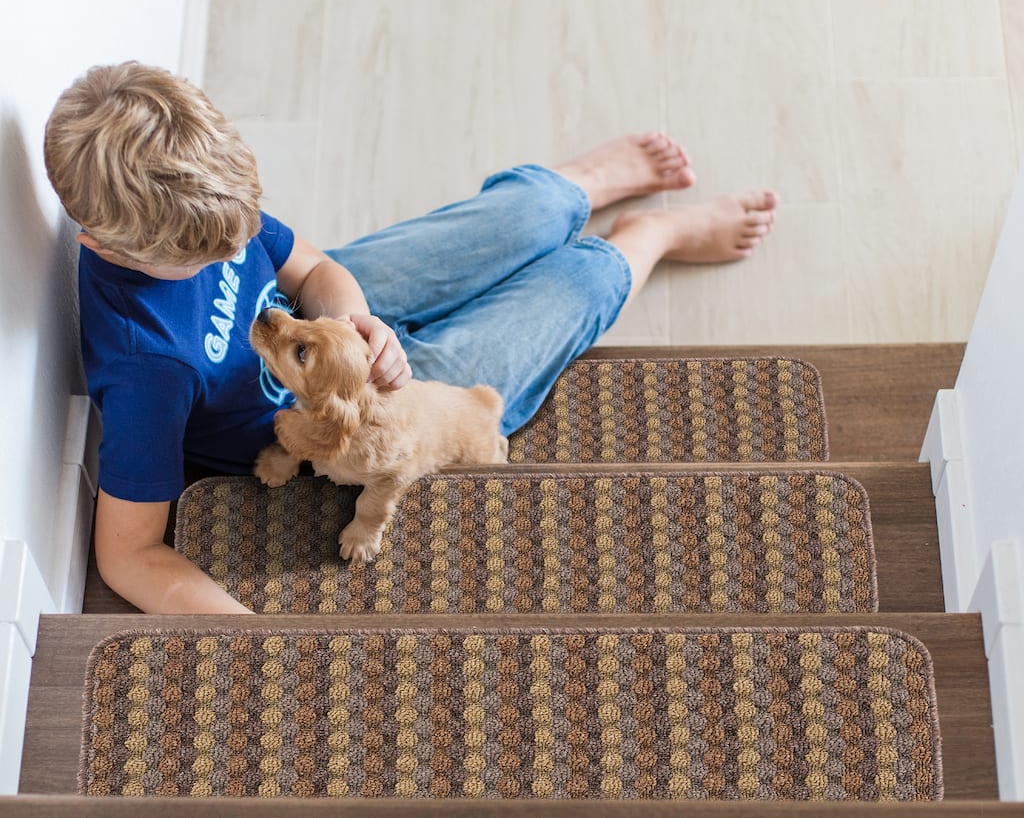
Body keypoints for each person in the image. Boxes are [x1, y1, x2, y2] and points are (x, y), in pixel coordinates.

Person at [44, 61, 778, 615]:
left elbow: (315, 268)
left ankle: (580, 185)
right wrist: (248, 631)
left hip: (338, 321)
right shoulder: (150, 367)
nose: (232, 251)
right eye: (208, 260)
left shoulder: (202, 208)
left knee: (528, 215)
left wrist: (357, 317)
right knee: (577, 287)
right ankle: (648, 236)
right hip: (365, 409)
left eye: (238, 235)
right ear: (104, 245)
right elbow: (126, 553)